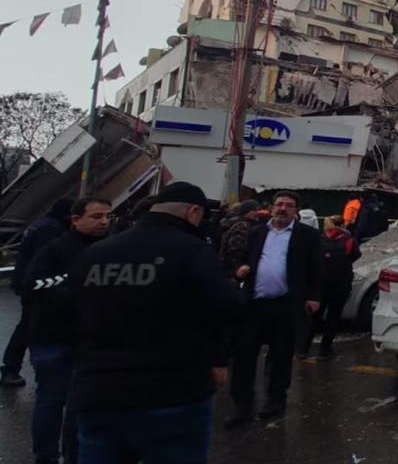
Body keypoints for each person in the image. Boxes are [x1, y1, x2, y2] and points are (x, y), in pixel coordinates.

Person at [71, 183, 244, 464]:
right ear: (194, 212)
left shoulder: (96, 253)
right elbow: (227, 307)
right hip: (171, 394)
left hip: (97, 391)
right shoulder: (192, 250)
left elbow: (71, 312)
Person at [24, 196, 113, 464]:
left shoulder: (111, 249)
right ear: (76, 220)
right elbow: (32, 285)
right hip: (53, 338)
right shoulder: (56, 249)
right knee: (51, 400)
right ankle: (46, 454)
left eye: (107, 216)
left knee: (80, 404)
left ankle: (74, 454)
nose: (104, 222)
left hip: (88, 341)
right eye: (96, 217)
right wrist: (75, 291)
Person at [227, 190, 323, 426]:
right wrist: (240, 268)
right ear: (271, 208)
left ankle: (275, 401)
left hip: (286, 304)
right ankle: (242, 405)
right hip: (254, 303)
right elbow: (240, 257)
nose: (282, 208)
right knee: (244, 356)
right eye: (279, 204)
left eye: (288, 205)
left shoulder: (307, 235)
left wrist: (314, 296)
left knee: (280, 356)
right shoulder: (257, 232)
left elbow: (317, 268)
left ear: (295, 210)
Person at [3, 199, 73, 389]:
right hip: (36, 285)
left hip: (29, 282)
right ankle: (11, 368)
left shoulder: (43, 224)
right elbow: (43, 259)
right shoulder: (51, 229)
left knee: (27, 326)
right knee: (28, 327)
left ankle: (12, 368)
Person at [300, 216, 361, 359]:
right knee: (333, 317)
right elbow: (355, 255)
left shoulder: (319, 239)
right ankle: (325, 349)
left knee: (314, 317)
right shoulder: (348, 240)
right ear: (342, 225)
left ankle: (303, 349)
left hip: (320, 284)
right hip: (340, 283)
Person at [219, 200, 263, 275]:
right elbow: (235, 249)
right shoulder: (243, 225)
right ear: (248, 211)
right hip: (233, 271)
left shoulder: (242, 223)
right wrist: (238, 267)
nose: (258, 213)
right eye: (255, 210)